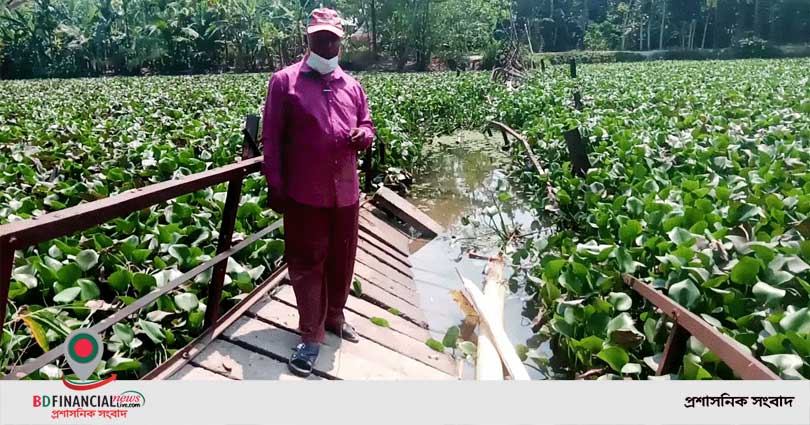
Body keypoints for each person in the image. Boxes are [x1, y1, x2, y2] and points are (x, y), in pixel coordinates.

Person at [260, 7, 375, 378]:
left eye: (332, 38)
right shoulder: (284, 82)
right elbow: (272, 141)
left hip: (346, 193)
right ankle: (310, 335)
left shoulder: (352, 86)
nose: (326, 43)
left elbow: (367, 123)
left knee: (342, 260)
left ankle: (336, 316)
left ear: (340, 41)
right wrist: (275, 186)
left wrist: (365, 135)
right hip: (304, 195)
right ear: (307, 39)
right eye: (319, 37)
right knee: (308, 264)